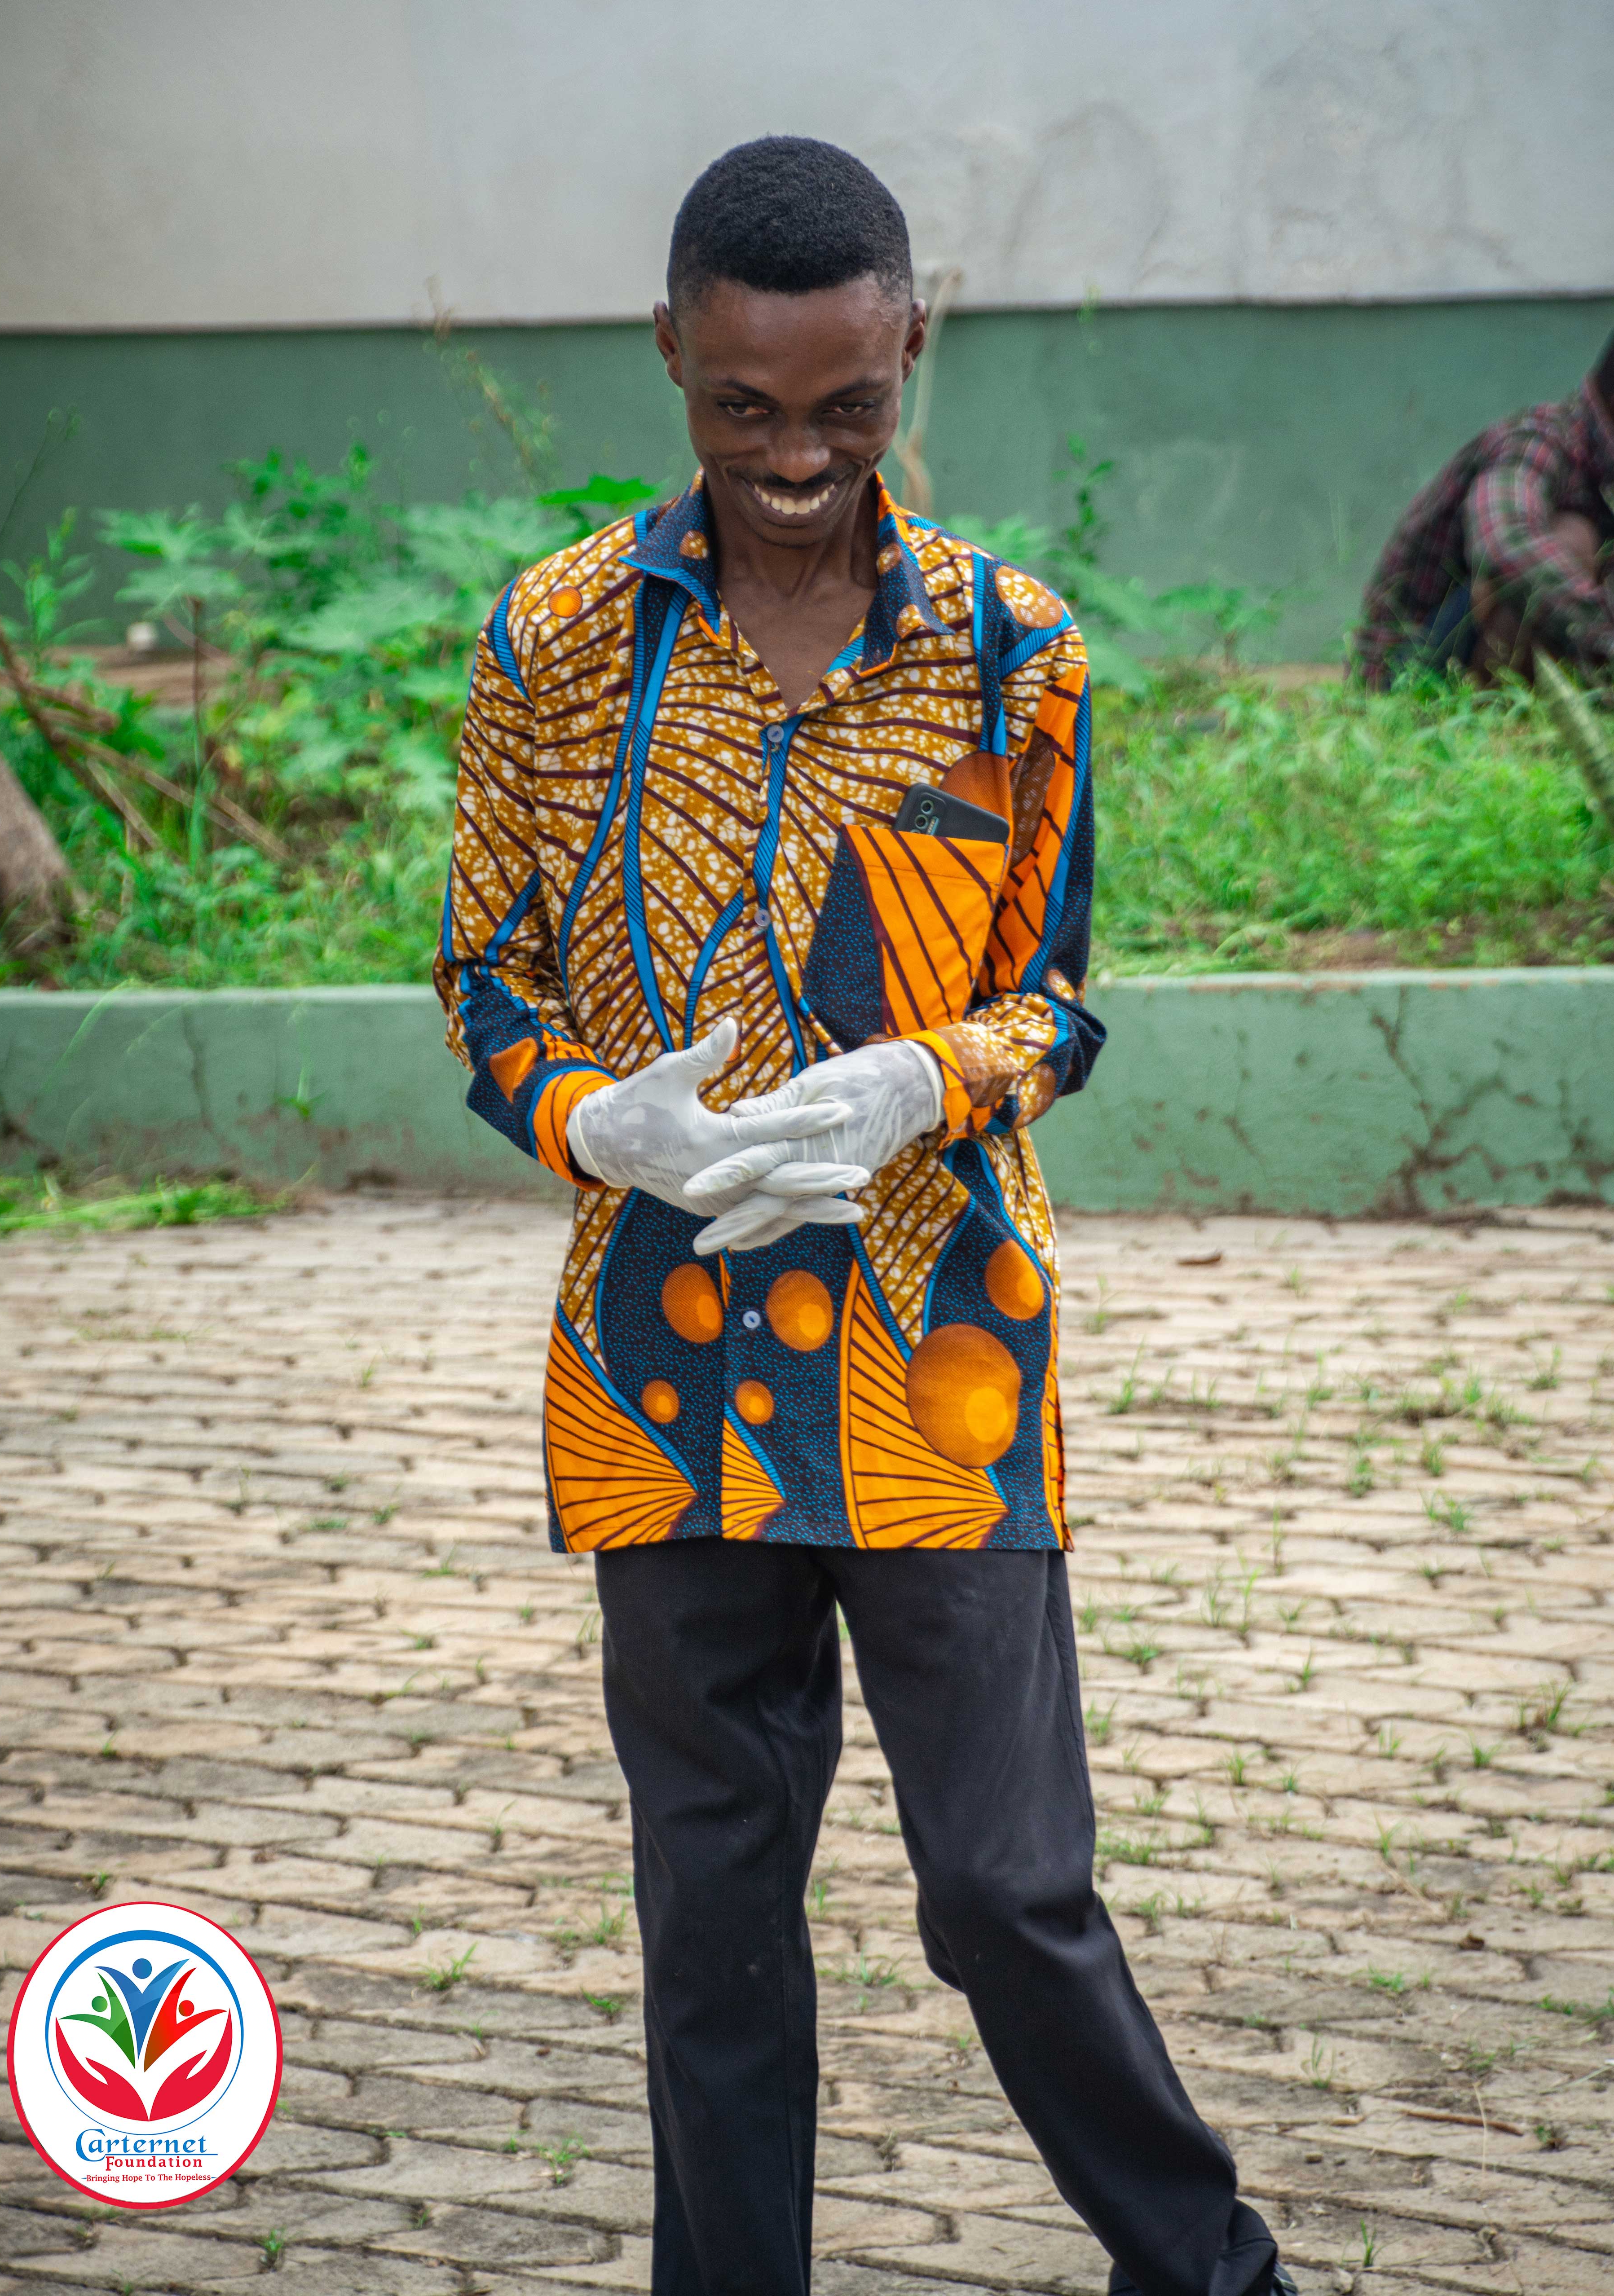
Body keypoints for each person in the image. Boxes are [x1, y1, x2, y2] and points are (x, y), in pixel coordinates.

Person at [436, 136, 1294, 2296]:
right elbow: (484, 978)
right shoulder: (554, 641)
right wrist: (593, 1124)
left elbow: (1054, 999)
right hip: (661, 1375)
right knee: (712, 1921)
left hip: (939, 1366)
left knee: (1007, 1890)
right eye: (743, 405)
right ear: (667, 353)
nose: (798, 455)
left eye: (847, 403)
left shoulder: (1013, 649)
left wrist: (925, 1076)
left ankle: (1212, 2275)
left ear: (914, 338)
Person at [1354, 296, 1614, 686]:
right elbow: (1506, 544)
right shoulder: (1538, 440)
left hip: (1577, 658)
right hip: (1415, 673)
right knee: (1570, 541)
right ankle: (1497, 714)